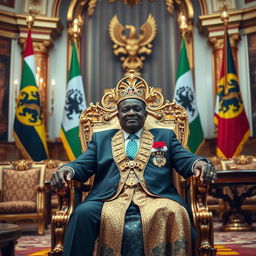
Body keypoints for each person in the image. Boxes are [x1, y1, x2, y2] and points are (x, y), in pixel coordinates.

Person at [51, 71, 216, 256]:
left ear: (145, 114)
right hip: (108, 198)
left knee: (175, 211)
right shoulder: (101, 139)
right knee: (82, 213)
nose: (131, 113)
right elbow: (82, 164)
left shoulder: (165, 137)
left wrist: (199, 163)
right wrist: (67, 169)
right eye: (125, 109)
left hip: (156, 197)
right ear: (118, 115)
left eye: (137, 109)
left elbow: (186, 159)